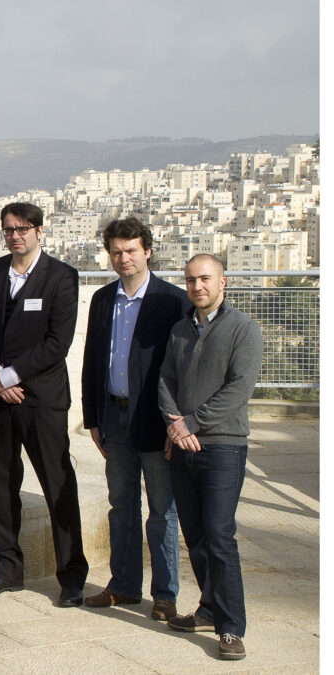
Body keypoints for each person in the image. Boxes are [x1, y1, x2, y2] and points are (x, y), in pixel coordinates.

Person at [0, 202, 89, 607]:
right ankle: (7, 570)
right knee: (1, 487)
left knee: (58, 486)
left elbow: (58, 343)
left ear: (39, 231)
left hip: (41, 399)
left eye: (23, 228)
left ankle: (71, 577)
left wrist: (12, 376)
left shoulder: (62, 277)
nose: (15, 235)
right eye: (8, 229)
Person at [80, 218, 189, 620]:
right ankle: (123, 586)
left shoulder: (173, 301)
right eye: (116, 252)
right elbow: (94, 359)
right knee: (120, 504)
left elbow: (180, 370)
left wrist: (176, 424)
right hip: (113, 415)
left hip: (156, 422)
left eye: (131, 250)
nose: (123, 258)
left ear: (147, 251)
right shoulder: (104, 299)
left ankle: (164, 594)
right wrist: (93, 417)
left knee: (162, 510)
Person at [158, 254, 262, 661]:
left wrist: (191, 423)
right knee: (197, 537)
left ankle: (231, 627)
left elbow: (239, 388)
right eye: (190, 280)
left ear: (223, 282)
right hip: (182, 445)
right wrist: (173, 424)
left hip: (222, 446)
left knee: (220, 537)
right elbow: (165, 379)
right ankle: (207, 608)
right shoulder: (181, 329)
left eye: (205, 279)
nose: (197, 286)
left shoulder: (243, 328)